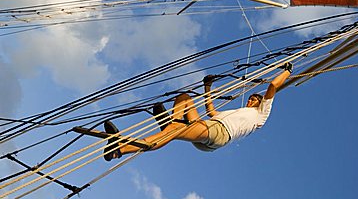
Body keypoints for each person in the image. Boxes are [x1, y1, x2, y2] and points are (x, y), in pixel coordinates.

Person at [103, 63, 292, 161]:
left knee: (171, 132)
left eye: (255, 99)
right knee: (184, 98)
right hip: (210, 126)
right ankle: (171, 122)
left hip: (219, 134)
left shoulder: (261, 115)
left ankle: (119, 150)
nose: (252, 99)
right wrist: (207, 87)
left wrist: (287, 71)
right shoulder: (238, 111)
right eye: (251, 98)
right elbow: (211, 111)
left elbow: (273, 85)